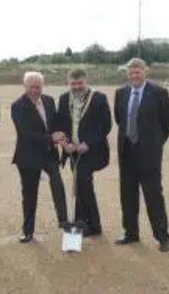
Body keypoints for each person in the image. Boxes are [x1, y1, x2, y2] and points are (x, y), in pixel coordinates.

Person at [114, 58, 169, 252]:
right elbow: (119, 119)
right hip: (127, 152)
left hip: (148, 154)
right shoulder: (121, 93)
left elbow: (168, 121)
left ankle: (162, 237)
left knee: (153, 195)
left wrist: (155, 143)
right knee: (127, 195)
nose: (134, 75)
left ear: (145, 72)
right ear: (127, 74)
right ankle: (131, 233)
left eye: (138, 71)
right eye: (131, 72)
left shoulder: (159, 93)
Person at [11, 71, 69, 243]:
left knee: (57, 184)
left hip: (49, 154)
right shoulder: (17, 106)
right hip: (28, 156)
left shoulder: (49, 101)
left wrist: (60, 134)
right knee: (29, 194)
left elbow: (56, 123)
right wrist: (50, 138)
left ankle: (63, 221)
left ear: (42, 87)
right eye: (32, 87)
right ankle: (27, 231)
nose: (35, 90)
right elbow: (25, 134)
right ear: (25, 86)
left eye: (38, 87)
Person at [57, 68, 112, 237]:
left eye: (80, 83)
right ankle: (82, 222)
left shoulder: (98, 98)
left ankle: (94, 225)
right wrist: (65, 144)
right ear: (69, 83)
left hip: (91, 151)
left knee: (83, 184)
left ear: (85, 81)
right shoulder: (64, 98)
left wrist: (87, 143)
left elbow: (105, 125)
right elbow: (61, 124)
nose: (76, 86)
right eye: (73, 83)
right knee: (79, 185)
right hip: (73, 152)